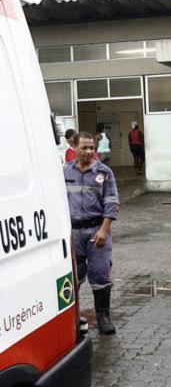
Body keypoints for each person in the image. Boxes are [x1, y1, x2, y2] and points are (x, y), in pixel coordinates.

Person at [63, 131, 119, 335]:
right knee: (74, 277)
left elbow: (111, 203)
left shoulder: (104, 172)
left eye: (91, 148)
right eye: (84, 147)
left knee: (100, 274)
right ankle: (72, 317)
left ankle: (103, 317)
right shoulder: (65, 171)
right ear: (74, 148)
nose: (88, 151)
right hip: (74, 233)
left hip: (97, 232)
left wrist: (104, 230)